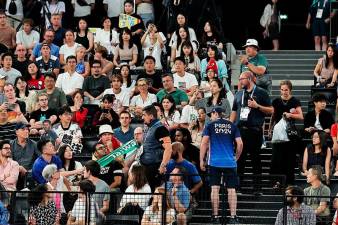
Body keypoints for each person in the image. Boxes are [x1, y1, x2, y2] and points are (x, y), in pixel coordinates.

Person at [230, 71, 273, 188]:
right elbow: (234, 111)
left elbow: (271, 110)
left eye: (241, 79)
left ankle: (257, 188)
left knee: (256, 160)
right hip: (240, 131)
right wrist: (230, 126)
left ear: (249, 79)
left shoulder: (261, 92)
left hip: (254, 130)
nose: (239, 81)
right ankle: (238, 187)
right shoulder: (239, 94)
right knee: (240, 160)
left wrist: (257, 106)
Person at [200, 106, 243, 223]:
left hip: (214, 162)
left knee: (215, 189)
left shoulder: (210, 126)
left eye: (211, 114)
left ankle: (215, 217)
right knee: (232, 190)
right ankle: (233, 217)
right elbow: (240, 144)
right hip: (230, 162)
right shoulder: (232, 126)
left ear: (215, 113)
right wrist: (236, 158)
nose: (210, 117)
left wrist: (201, 160)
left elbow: (204, 143)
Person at [269, 80, 303, 185]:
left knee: (289, 160)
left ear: (290, 90)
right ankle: (277, 183)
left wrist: (290, 115)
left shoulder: (295, 101)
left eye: (286, 90)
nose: (284, 92)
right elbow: (273, 116)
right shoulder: (276, 101)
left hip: (290, 134)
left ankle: (289, 184)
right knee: (276, 159)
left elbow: (301, 116)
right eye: (282, 90)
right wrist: (269, 129)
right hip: (278, 134)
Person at [141, 105, 172, 191]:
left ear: (151, 116)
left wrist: (163, 165)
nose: (142, 117)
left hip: (154, 167)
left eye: (144, 115)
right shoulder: (149, 128)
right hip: (147, 166)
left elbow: (168, 148)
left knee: (156, 192)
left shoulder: (160, 129)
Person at [10, 122, 39, 188]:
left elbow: (40, 159)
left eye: (27, 129)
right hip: (15, 172)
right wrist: (18, 167)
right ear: (16, 132)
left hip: (30, 173)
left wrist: (29, 171)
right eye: (23, 129)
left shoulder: (34, 144)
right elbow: (9, 161)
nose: (26, 131)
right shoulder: (11, 144)